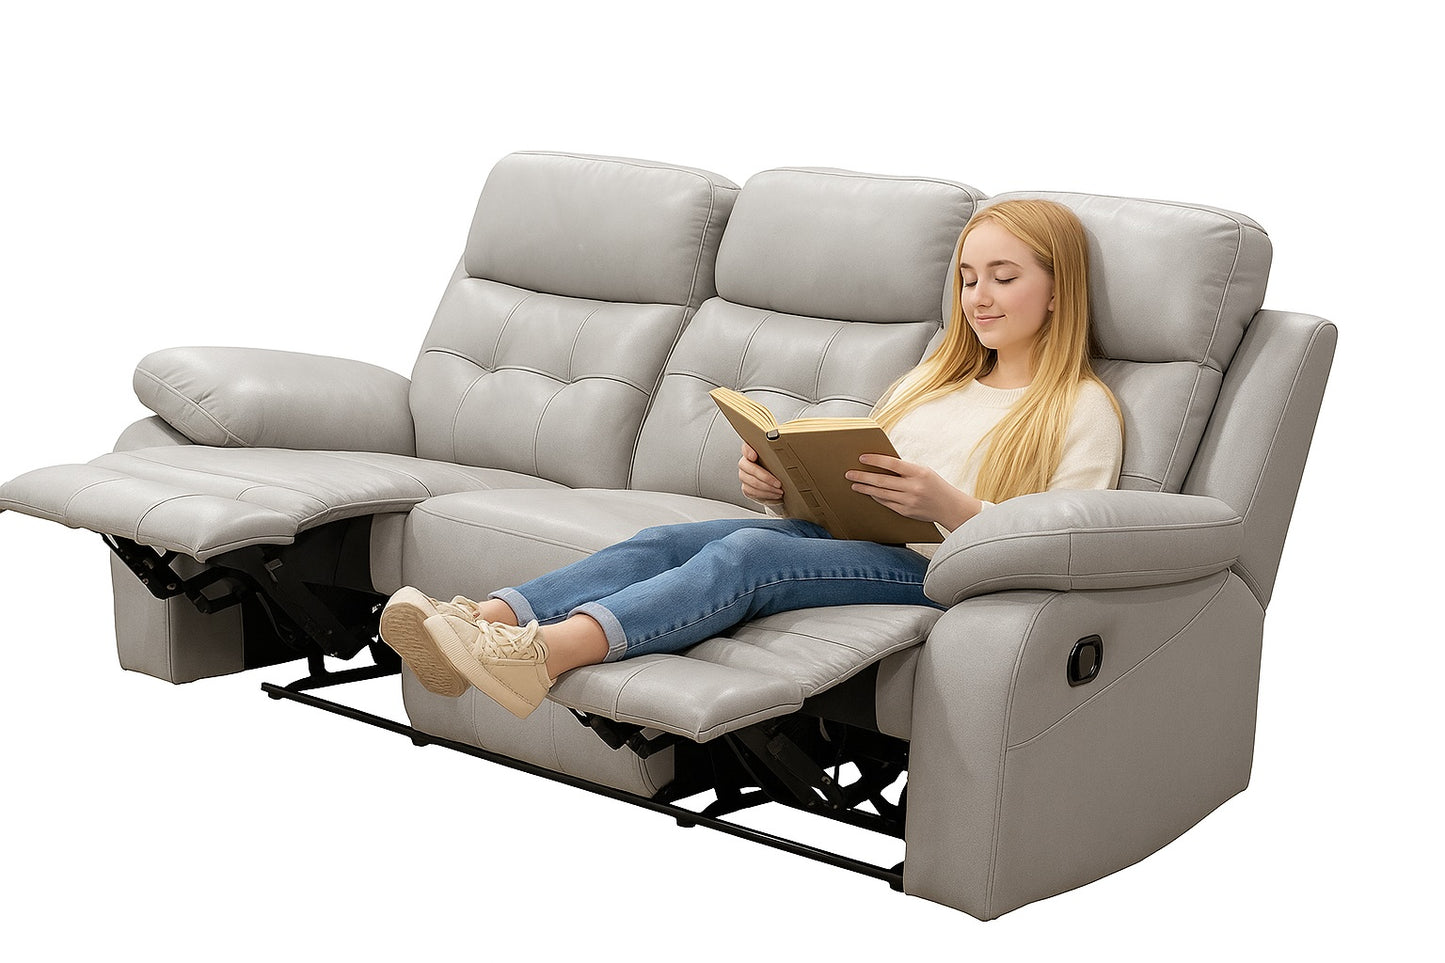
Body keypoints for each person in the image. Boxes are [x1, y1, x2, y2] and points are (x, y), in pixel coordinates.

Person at [377, 199, 1124, 719]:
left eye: (1003, 276)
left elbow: (1068, 547)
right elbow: (855, 489)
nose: (978, 297)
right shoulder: (932, 380)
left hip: (940, 571)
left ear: (1058, 289)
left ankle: (541, 654)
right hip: (856, 540)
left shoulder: (1080, 407)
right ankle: (482, 620)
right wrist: (780, 486)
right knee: (665, 541)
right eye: (966, 278)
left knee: (744, 558)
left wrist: (949, 508)